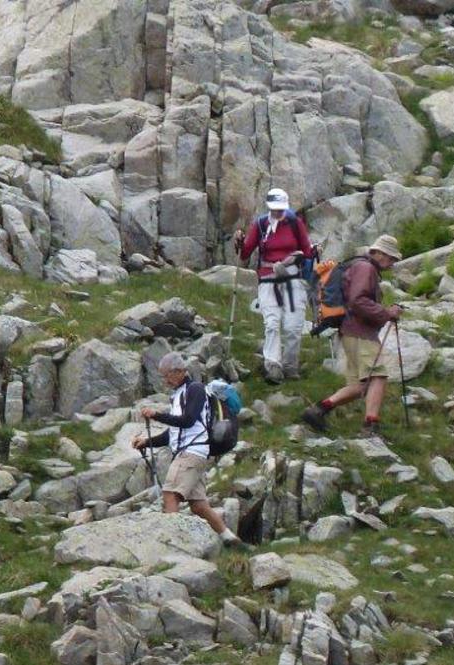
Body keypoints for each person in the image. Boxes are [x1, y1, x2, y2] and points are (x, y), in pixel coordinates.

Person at [131, 352, 246, 549]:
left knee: (170, 494)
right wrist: (147, 442)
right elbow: (174, 433)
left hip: (191, 453)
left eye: (166, 375)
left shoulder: (195, 389)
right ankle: (231, 540)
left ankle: (172, 546)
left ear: (179, 371)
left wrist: (156, 415)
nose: (165, 380)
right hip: (194, 453)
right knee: (198, 505)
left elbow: (188, 421)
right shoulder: (178, 395)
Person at [300, 235, 404, 439]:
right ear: (378, 253)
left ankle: (318, 411)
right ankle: (370, 425)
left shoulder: (358, 266)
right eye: (391, 257)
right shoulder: (366, 268)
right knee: (378, 376)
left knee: (358, 386)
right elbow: (358, 301)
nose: (392, 262)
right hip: (360, 332)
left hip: (349, 331)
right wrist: (387, 313)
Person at [235, 188, 317, 383]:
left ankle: (290, 366)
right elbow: (245, 253)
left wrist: (303, 256)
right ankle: (273, 366)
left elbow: (306, 251)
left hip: (292, 278)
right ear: (269, 207)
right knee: (272, 323)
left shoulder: (295, 223)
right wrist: (239, 242)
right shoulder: (261, 224)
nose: (278, 212)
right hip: (268, 279)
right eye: (275, 209)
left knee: (293, 326)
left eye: (281, 208)